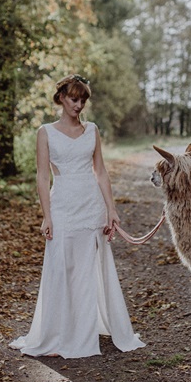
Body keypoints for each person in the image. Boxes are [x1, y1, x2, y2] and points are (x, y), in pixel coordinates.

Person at [9, 74, 145, 358]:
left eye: (83, 99)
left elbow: (101, 171)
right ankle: (58, 333)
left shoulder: (92, 129)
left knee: (85, 271)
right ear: (61, 98)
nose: (79, 105)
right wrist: (46, 216)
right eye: (74, 98)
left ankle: (83, 334)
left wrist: (112, 209)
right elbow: (42, 176)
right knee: (62, 268)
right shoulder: (45, 132)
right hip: (62, 206)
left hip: (90, 205)